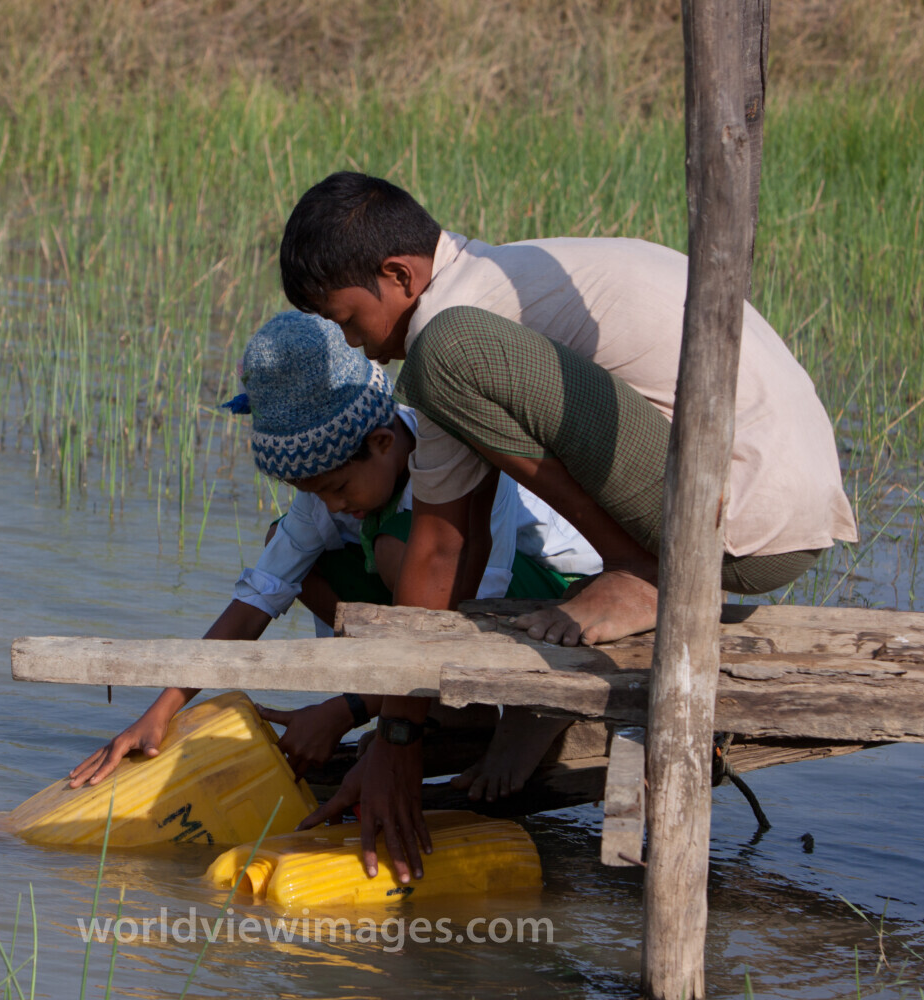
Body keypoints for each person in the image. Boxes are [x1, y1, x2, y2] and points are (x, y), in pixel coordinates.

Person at [280, 171, 859, 881]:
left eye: (346, 320)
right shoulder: (482, 307)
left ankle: (641, 572)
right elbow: (451, 549)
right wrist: (394, 733)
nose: (359, 347)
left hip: (735, 512)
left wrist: (396, 741)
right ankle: (639, 568)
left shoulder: (455, 334)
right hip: (745, 514)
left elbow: (438, 550)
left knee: (450, 350)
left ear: (399, 274)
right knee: (451, 357)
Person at [66, 310, 601, 801]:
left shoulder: (457, 452)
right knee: (300, 551)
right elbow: (259, 596)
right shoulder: (335, 488)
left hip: (548, 601)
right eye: (316, 492)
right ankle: (457, 717)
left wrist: (345, 710)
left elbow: (469, 613)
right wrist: (160, 712)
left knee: (399, 550)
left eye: (337, 488)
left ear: (383, 444)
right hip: (455, 618)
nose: (332, 504)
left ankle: (537, 707)